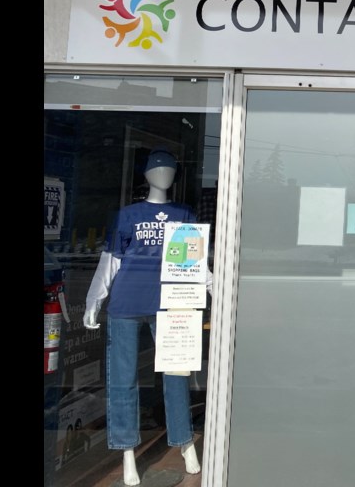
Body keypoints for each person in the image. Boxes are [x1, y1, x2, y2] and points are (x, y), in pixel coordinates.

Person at [84, 148, 202, 485]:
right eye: (158, 169)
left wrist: (212, 286)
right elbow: (111, 261)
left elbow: (192, 262)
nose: (163, 174)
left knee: (176, 375)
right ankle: (126, 452)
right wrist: (94, 299)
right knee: (122, 379)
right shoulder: (128, 215)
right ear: (147, 174)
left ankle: (183, 443)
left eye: (169, 169)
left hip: (170, 305)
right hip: (125, 304)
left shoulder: (184, 214)